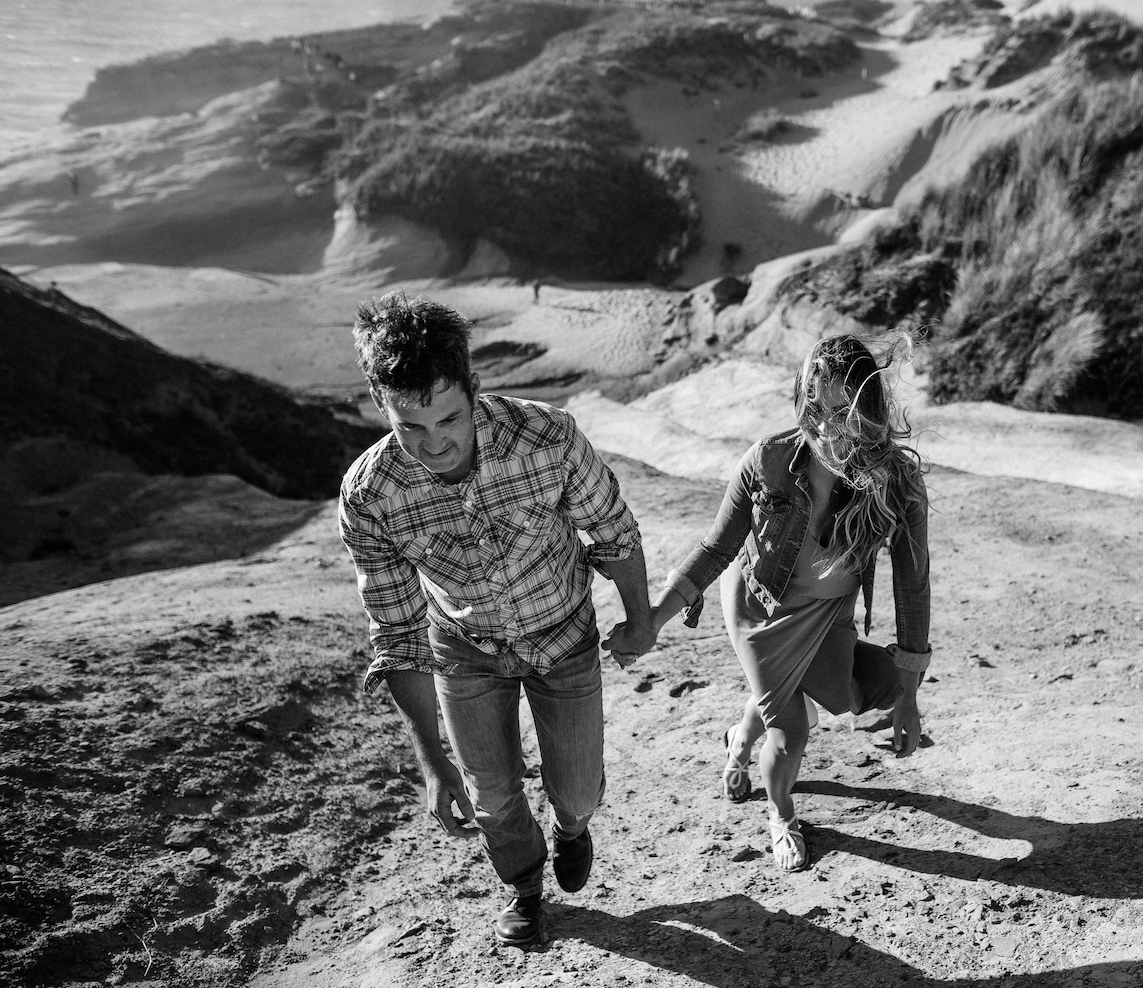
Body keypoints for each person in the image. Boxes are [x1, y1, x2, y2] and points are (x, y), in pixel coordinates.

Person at [338, 291, 657, 946]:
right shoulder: (370, 494)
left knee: (577, 791)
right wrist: (431, 759)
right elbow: (396, 632)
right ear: (380, 405)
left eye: (449, 418)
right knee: (491, 796)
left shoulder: (547, 437)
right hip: (463, 647)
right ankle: (525, 886)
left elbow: (615, 532)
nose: (435, 442)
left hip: (563, 633)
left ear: (472, 386)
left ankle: (572, 827)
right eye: (410, 427)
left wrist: (641, 620)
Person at [648, 335, 931, 871]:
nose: (824, 425)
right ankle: (782, 814)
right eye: (814, 407)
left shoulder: (896, 481)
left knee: (862, 688)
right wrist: (655, 619)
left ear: (866, 412)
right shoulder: (770, 460)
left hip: (828, 617)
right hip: (761, 610)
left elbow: (912, 587)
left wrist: (911, 696)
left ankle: (738, 737)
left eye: (841, 410)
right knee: (792, 729)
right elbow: (715, 548)